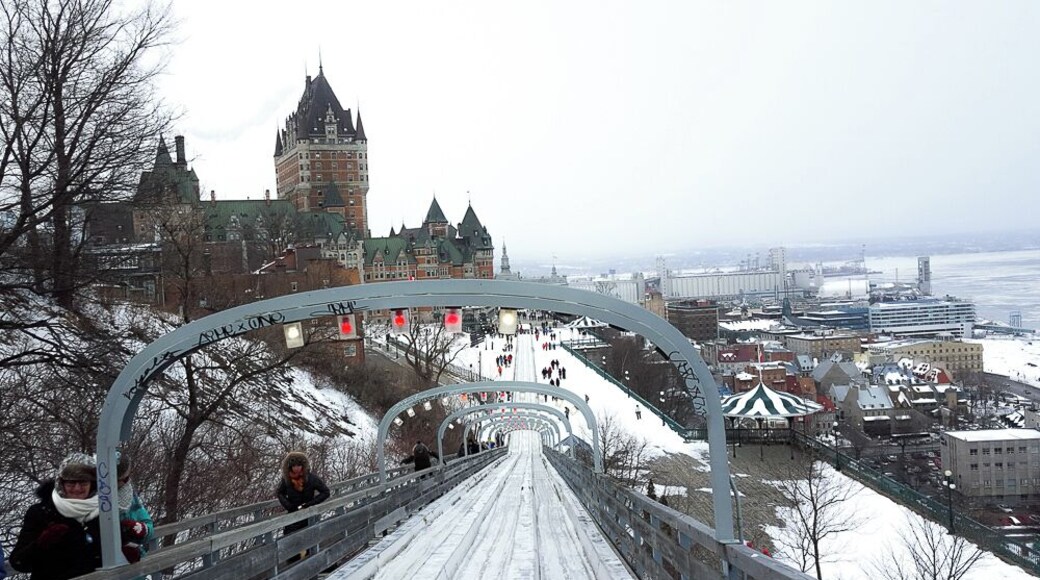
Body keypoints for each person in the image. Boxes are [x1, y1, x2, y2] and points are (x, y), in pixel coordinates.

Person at [10, 452, 106, 578]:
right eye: (71, 483)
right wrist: (41, 544)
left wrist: (127, 540)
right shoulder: (41, 512)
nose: (77, 488)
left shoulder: (102, 511)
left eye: (83, 483)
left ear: (92, 485)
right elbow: (19, 562)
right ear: (62, 484)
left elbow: (105, 556)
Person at [276, 452, 331, 537]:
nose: (296, 468)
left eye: (299, 465)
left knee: (308, 540)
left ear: (303, 466)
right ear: (290, 467)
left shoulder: (311, 478)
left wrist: (311, 503)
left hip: (309, 514)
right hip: (293, 515)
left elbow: (326, 492)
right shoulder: (287, 479)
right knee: (291, 539)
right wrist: (289, 505)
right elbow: (280, 493)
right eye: (294, 466)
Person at [115, 452, 154, 563]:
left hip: (133, 561)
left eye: (126, 479)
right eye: (119, 480)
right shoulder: (94, 497)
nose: (124, 483)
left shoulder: (130, 496)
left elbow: (148, 524)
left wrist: (142, 529)